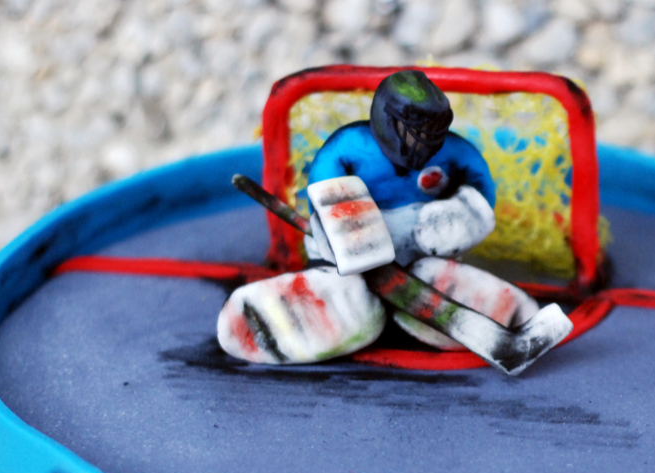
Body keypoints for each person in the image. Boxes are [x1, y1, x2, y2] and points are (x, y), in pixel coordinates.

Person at [218, 70, 540, 365]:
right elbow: (325, 186)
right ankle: (318, 306)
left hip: (423, 248)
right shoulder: (348, 148)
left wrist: (466, 214)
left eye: (433, 133)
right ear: (388, 120)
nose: (424, 144)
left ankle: (476, 306)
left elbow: (480, 187)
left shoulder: (456, 153)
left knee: (430, 275)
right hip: (352, 259)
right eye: (415, 132)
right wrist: (337, 227)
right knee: (353, 290)